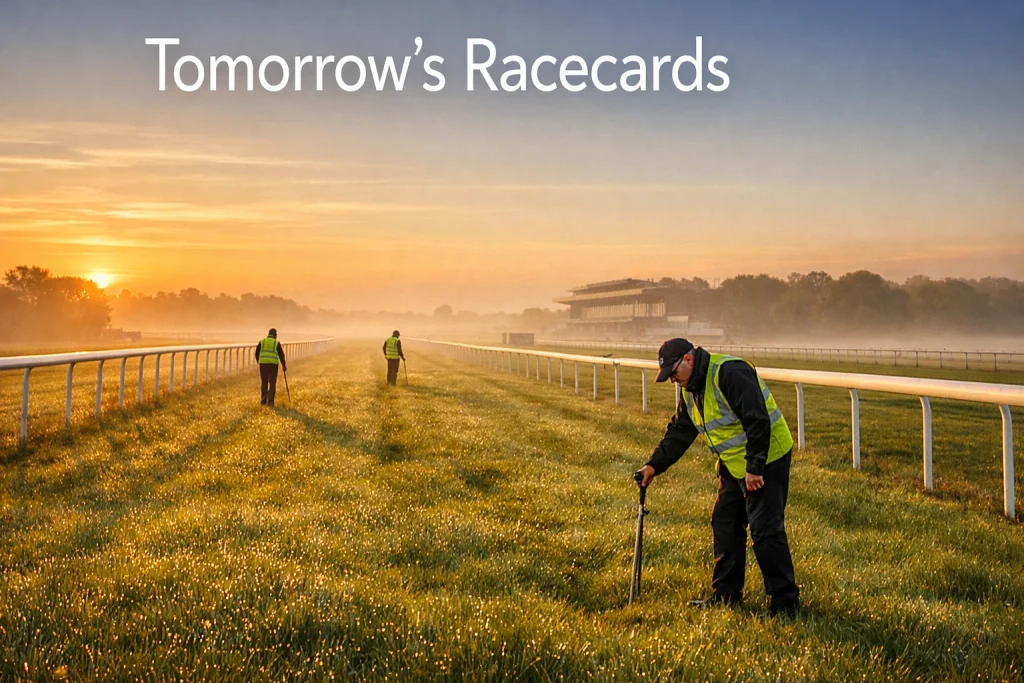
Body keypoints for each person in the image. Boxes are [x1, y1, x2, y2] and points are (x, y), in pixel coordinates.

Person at [636, 338, 800, 617]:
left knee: (765, 531)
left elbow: (757, 419)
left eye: (674, 373)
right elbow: (680, 432)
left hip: (767, 458)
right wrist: (653, 466)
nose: (674, 380)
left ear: (688, 359)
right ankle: (726, 595)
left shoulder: (730, 372)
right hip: (734, 465)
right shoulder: (691, 389)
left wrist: (755, 467)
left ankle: (785, 604)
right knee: (724, 521)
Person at [254, 328, 287, 406]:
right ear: (275, 335)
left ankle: (263, 400)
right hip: (273, 365)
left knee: (264, 382)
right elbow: (281, 355)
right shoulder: (276, 343)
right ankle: (270, 401)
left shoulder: (262, 341)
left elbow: (256, 353)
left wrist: (259, 361)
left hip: (263, 364)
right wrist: (284, 366)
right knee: (272, 383)